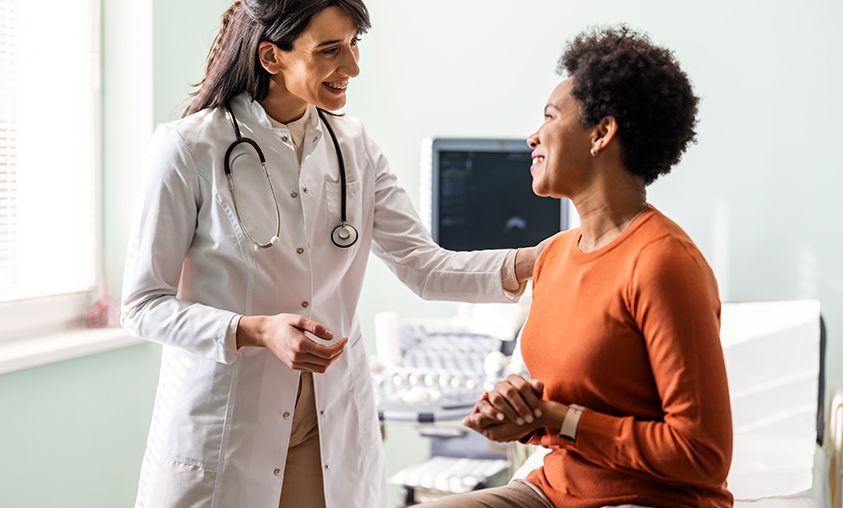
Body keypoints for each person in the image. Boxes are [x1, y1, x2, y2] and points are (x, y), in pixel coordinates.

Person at [120, 1, 543, 507]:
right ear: (271, 57)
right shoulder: (190, 148)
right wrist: (255, 330)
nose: (353, 67)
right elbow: (143, 306)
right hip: (231, 425)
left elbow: (424, 267)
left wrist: (544, 259)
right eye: (330, 50)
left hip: (329, 424)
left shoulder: (355, 146)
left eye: (354, 44)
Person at [420, 25, 734, 508]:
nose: (533, 136)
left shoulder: (664, 263)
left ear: (602, 133)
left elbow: (702, 454)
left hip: (646, 499)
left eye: (549, 117)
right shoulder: (553, 256)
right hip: (553, 490)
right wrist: (524, 415)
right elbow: (560, 405)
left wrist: (560, 419)